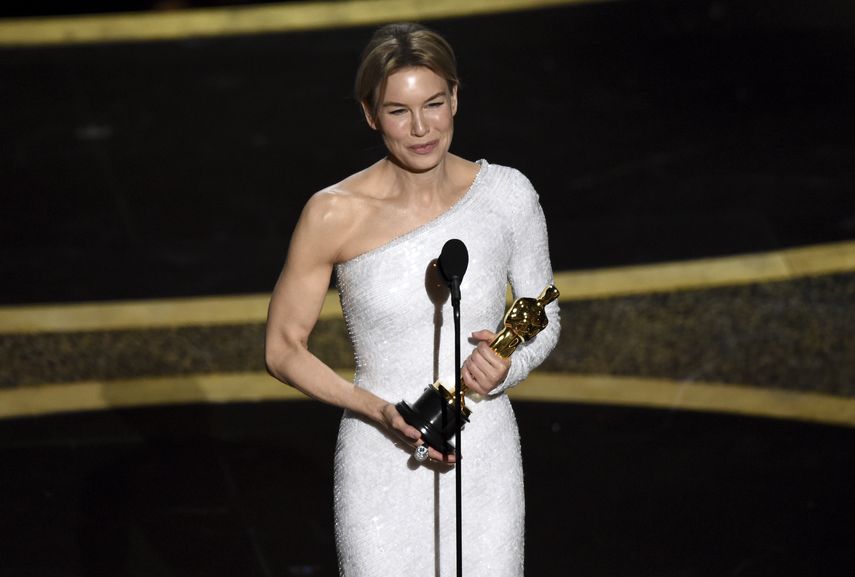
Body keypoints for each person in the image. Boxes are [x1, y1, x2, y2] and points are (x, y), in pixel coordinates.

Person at [265, 22, 560, 577]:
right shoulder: (332, 213)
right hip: (379, 453)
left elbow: (542, 310)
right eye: (399, 111)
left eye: (434, 103)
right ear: (370, 114)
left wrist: (506, 365)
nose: (421, 127)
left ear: (455, 98)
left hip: (483, 446)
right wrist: (377, 409)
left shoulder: (507, 195)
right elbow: (283, 350)